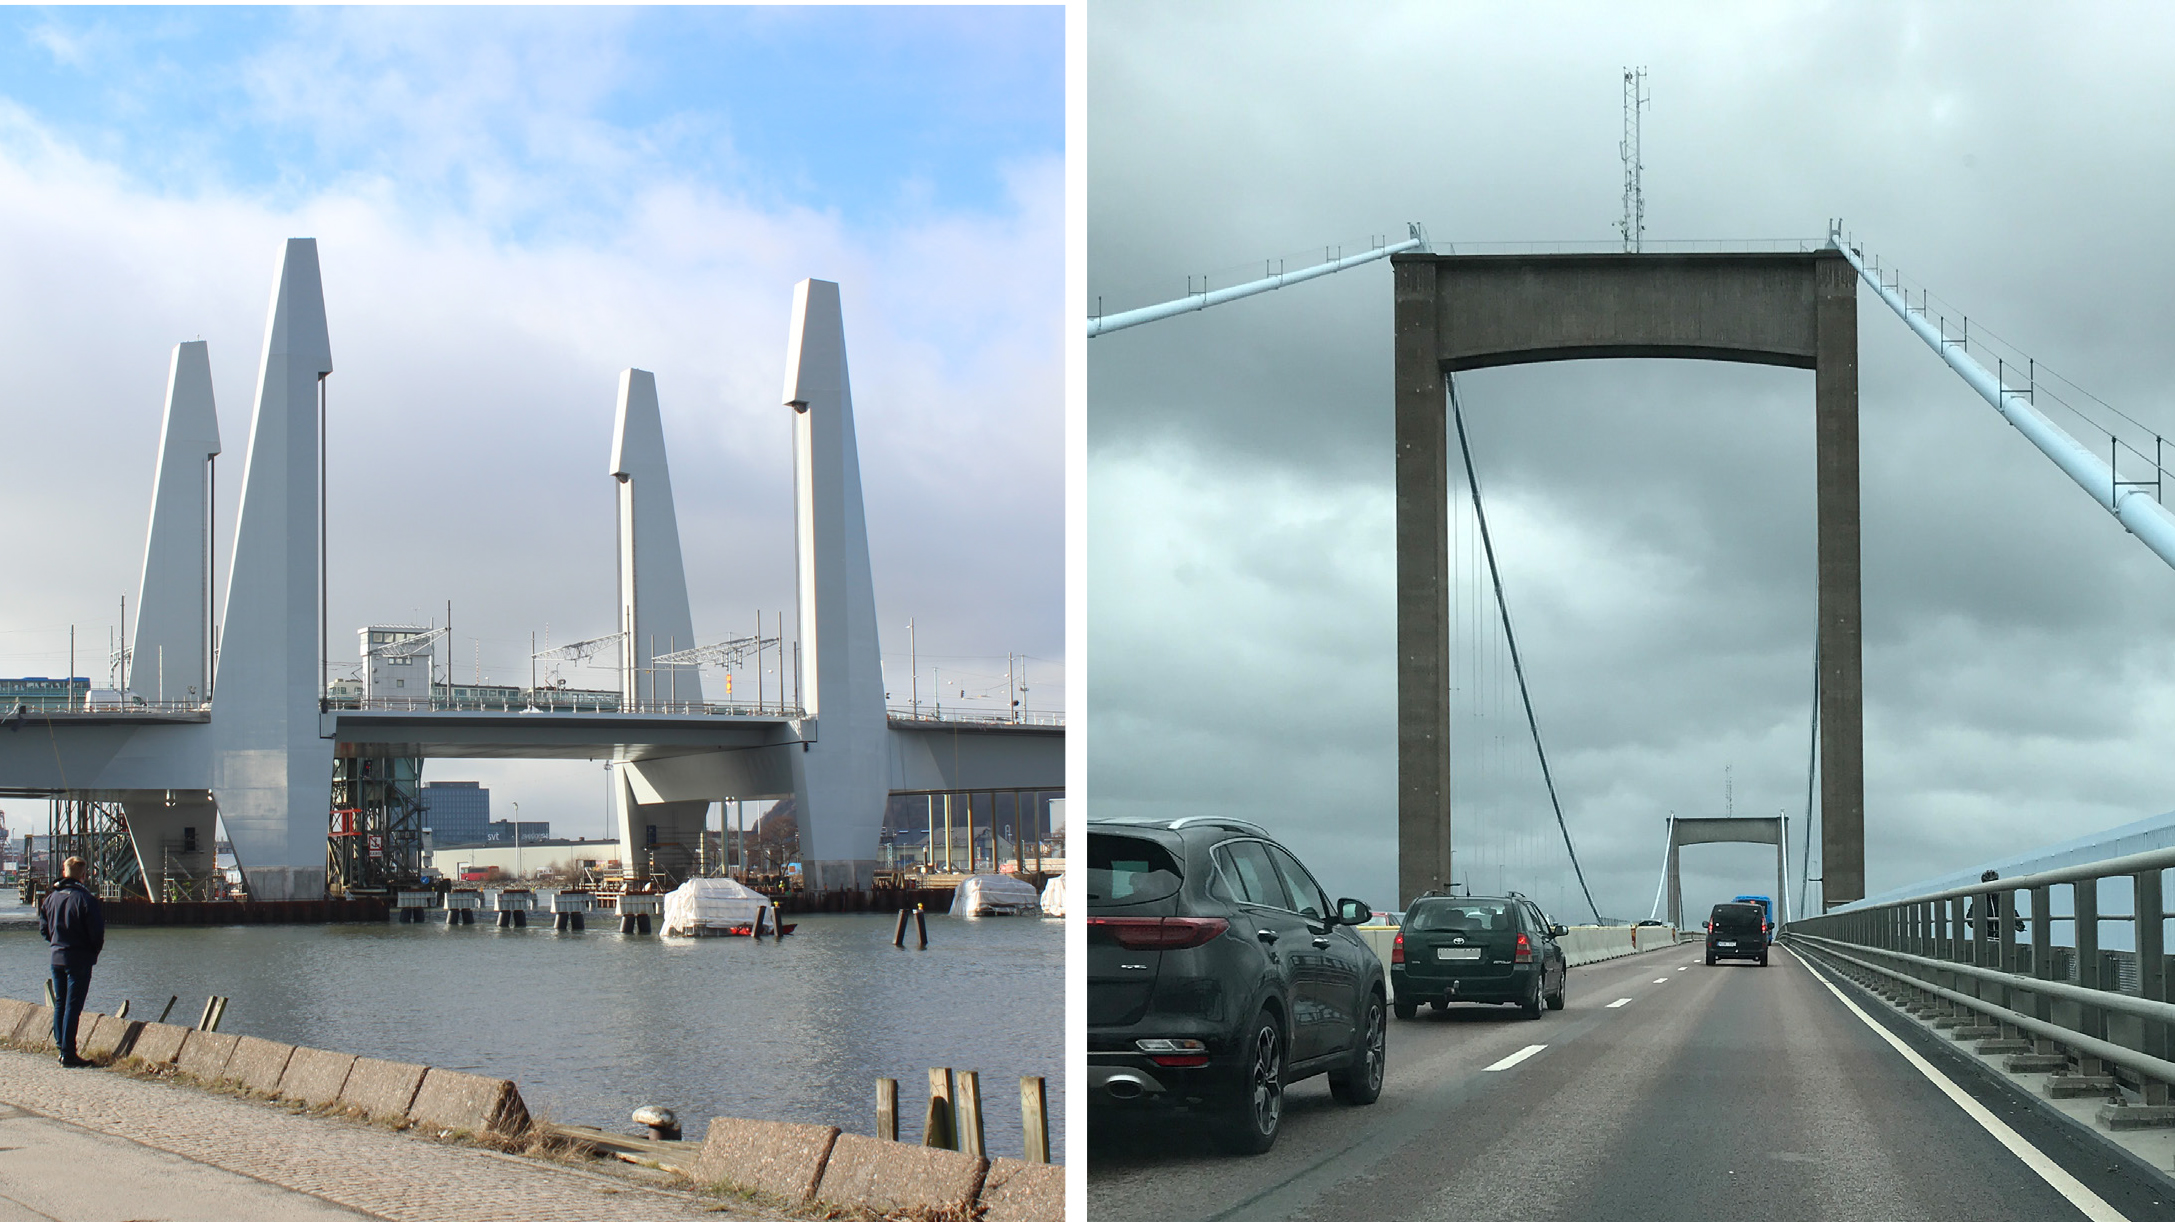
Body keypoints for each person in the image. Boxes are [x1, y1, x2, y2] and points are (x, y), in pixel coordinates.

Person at [37, 857, 104, 1067]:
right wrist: (93, 951)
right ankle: (68, 1053)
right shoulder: (86, 899)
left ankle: (60, 1046)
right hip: (79, 959)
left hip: (56, 957)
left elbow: (43, 929)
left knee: (60, 1003)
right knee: (73, 1006)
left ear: (64, 872)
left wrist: (56, 942)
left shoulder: (51, 898)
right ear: (83, 875)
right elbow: (96, 933)